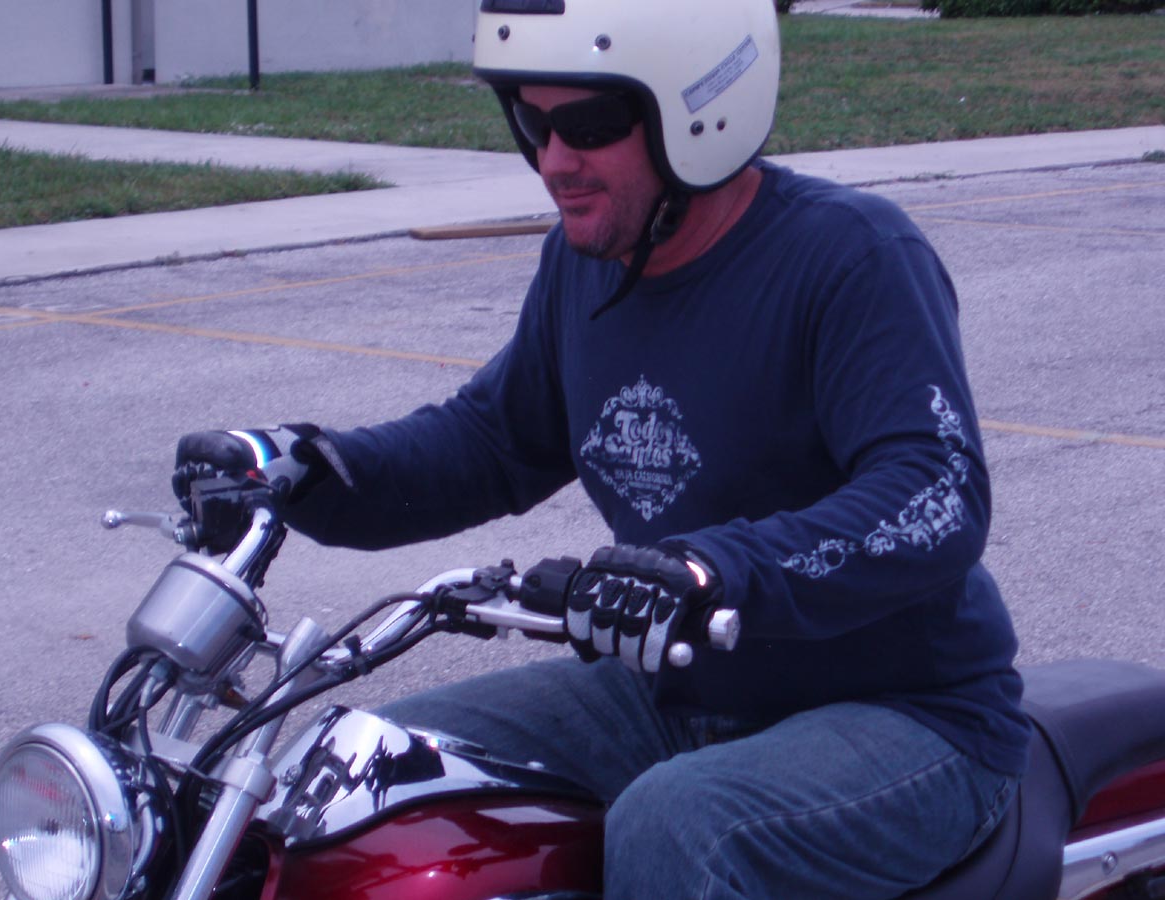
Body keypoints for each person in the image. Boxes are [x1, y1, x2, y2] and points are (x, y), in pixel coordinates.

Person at [174, 0, 1030, 896]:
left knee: (678, 822)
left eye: (587, 125)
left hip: (908, 712)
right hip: (677, 691)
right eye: (531, 123)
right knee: (366, 772)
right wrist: (304, 470)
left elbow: (933, 494)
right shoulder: (584, 266)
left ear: (698, 112)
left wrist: (710, 571)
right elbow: (494, 439)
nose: (554, 161)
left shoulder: (851, 256)